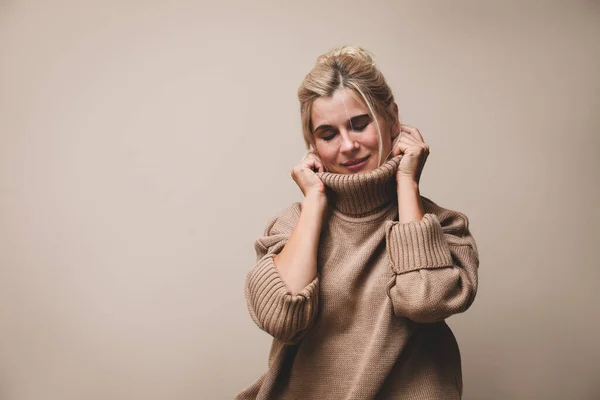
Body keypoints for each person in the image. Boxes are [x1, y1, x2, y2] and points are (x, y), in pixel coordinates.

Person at [235, 46, 479, 400]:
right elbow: (281, 320)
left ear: (392, 119)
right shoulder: (290, 226)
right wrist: (315, 202)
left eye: (359, 124)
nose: (347, 145)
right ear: (312, 144)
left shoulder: (444, 226)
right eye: (328, 134)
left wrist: (407, 183)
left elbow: (424, 301)